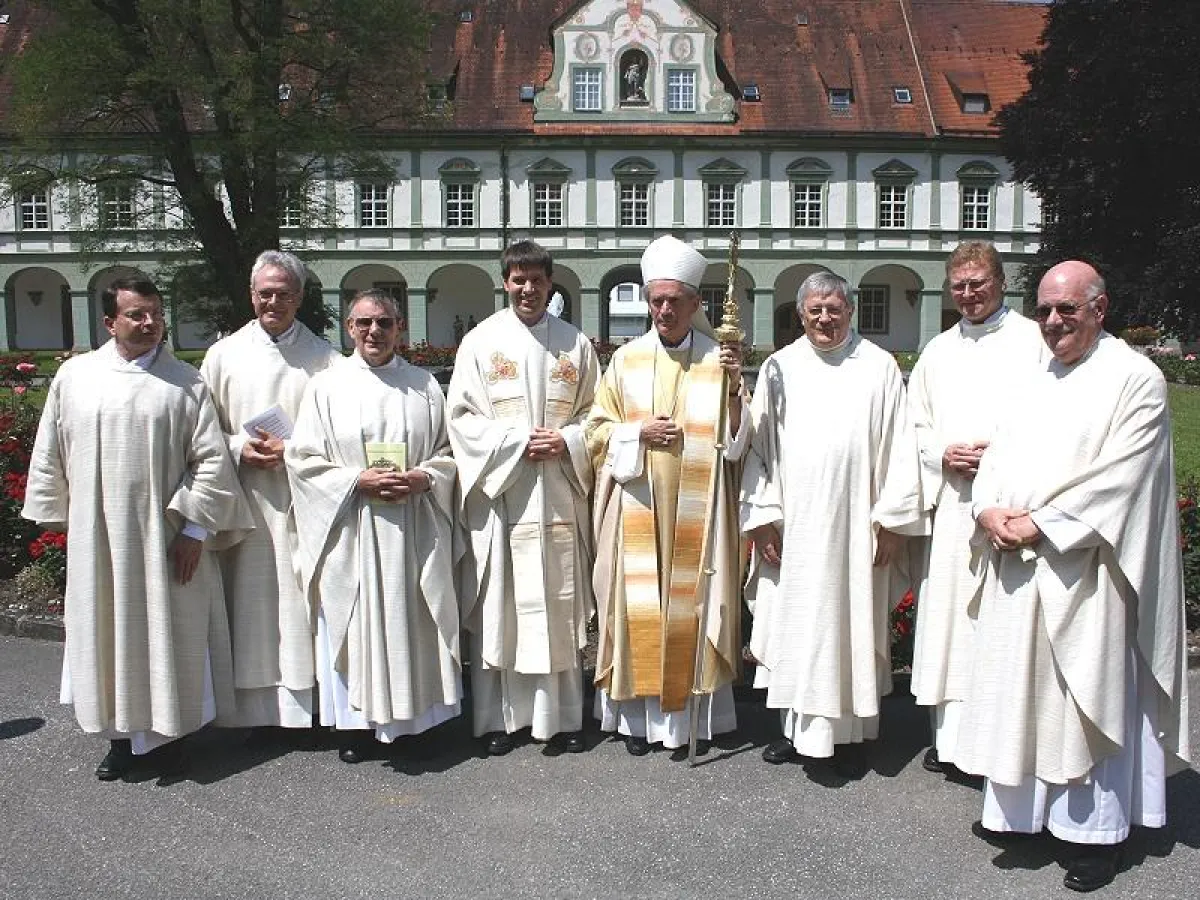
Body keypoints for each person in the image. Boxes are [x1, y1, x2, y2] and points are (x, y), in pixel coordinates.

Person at [958, 261, 1190, 892]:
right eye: (1043, 311)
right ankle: (1022, 813)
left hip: (1088, 569)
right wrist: (987, 509)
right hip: (1017, 564)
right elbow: (998, 453)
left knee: (1084, 698)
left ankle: (1094, 833)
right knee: (1023, 692)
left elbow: (1126, 477)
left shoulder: (1135, 379)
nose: (1054, 322)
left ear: (1100, 307)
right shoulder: (1035, 376)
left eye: (1068, 310)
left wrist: (1041, 523)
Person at [22, 277, 253, 779]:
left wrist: (195, 531)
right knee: (110, 633)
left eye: (155, 313)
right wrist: (63, 521)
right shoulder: (76, 378)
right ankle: (122, 740)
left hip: (167, 538)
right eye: (136, 315)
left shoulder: (187, 383)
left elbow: (211, 463)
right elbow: (50, 453)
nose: (150, 323)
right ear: (110, 322)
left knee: (170, 635)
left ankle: (173, 737)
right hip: (100, 538)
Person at [739, 272, 925, 778]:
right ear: (801, 315)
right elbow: (756, 449)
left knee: (849, 624)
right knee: (797, 622)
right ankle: (796, 730)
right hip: (796, 525)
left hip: (855, 524)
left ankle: (851, 733)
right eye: (815, 310)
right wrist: (762, 519)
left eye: (834, 309)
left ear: (851, 311)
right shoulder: (780, 367)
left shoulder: (879, 366)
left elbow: (902, 447)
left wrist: (891, 520)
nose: (825, 318)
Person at [586, 234, 749, 757]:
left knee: (694, 605)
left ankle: (690, 719)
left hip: (697, 516)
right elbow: (595, 430)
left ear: (695, 304)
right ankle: (638, 721)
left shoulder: (717, 361)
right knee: (638, 609)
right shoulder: (625, 360)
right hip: (639, 505)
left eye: (674, 301)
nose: (663, 310)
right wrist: (635, 435)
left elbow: (741, 438)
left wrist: (736, 385)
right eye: (655, 300)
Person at [287, 289, 462, 763]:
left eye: (384, 323)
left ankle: (418, 719)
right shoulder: (326, 387)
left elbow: (449, 454)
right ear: (349, 329)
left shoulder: (424, 385)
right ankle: (357, 725)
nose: (374, 332)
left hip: (412, 526)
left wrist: (424, 477)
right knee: (358, 620)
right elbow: (301, 460)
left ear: (400, 328)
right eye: (363, 323)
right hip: (353, 527)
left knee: (415, 618)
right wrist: (354, 480)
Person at [448, 241, 600, 755]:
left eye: (537, 279)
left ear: (550, 282)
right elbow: (462, 420)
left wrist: (568, 440)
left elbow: (596, 418)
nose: (528, 289)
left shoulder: (575, 344)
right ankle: (499, 721)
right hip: (504, 501)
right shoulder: (479, 343)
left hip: (558, 493)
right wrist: (515, 443)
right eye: (518, 279)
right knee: (504, 608)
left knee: (557, 605)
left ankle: (564, 717)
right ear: (505, 282)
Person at [906, 242, 1046, 775]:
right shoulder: (938, 352)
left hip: (1013, 508)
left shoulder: (1035, 341)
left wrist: (1004, 456)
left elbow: (1052, 414)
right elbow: (912, 426)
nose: (968, 294)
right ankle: (953, 743)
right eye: (959, 285)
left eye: (978, 283)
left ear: (1001, 279)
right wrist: (941, 452)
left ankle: (1003, 743)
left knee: (1002, 625)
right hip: (955, 507)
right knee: (952, 627)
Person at [200, 251, 340, 734]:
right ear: (251, 295)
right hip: (246, 503)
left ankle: (308, 711)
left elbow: (343, 434)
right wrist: (239, 447)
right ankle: (251, 717)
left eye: (284, 293)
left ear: (300, 297)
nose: (273, 301)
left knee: (302, 605)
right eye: (265, 292)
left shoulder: (326, 359)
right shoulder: (223, 356)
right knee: (252, 606)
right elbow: (200, 433)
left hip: (303, 504)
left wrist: (295, 449)